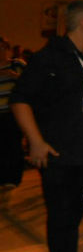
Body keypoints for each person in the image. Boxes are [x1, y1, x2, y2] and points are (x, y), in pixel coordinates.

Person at [10, 0, 83, 252]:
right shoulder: (48, 58)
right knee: (61, 219)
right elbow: (20, 100)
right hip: (58, 154)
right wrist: (35, 141)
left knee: (74, 217)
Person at [0, 37, 25, 188]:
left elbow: (31, 82)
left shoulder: (17, 64)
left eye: (2, 48)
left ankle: (13, 178)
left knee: (13, 145)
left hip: (12, 112)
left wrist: (14, 76)